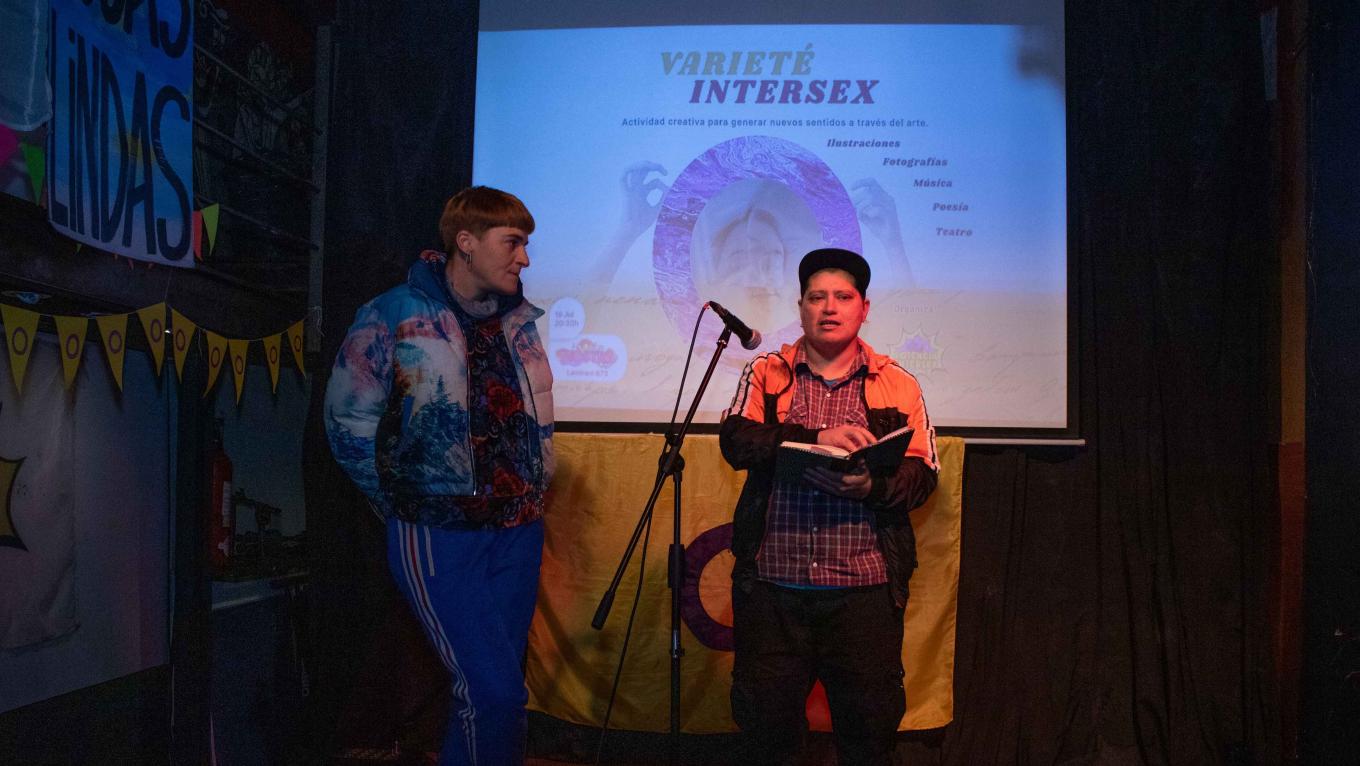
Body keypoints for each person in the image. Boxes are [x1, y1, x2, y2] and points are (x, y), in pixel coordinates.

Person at [324, 186, 554, 766]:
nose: (524, 258)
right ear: (467, 243)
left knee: (493, 692)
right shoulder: (392, 313)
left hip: (518, 530)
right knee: (494, 692)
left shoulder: (520, 322)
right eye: (514, 242)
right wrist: (402, 500)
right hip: (438, 533)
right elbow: (347, 418)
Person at [718, 248, 939, 765]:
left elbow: (924, 472)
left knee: (868, 737)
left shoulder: (897, 380)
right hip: (773, 587)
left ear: (864, 308)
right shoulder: (767, 372)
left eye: (843, 297)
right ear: (800, 307)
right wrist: (815, 436)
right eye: (817, 297)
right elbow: (735, 441)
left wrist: (873, 489)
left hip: (863, 591)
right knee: (766, 738)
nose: (829, 307)